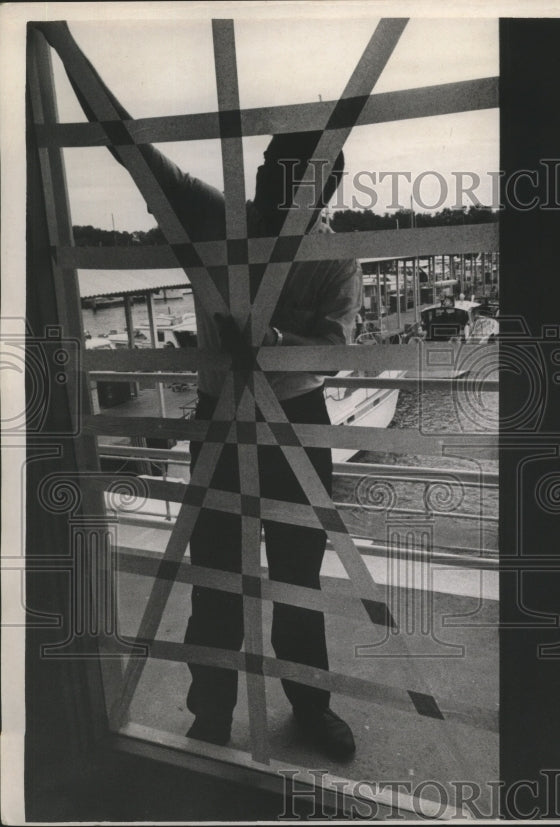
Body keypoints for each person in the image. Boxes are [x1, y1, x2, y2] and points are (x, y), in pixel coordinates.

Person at [40, 24, 359, 761]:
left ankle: (300, 706)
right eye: (285, 172)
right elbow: (131, 148)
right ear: (265, 174)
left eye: (309, 178)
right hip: (240, 419)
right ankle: (216, 712)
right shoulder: (219, 221)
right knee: (218, 578)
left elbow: (337, 346)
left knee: (296, 581)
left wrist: (268, 341)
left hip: (293, 423)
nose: (289, 192)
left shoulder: (325, 249)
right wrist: (67, 50)